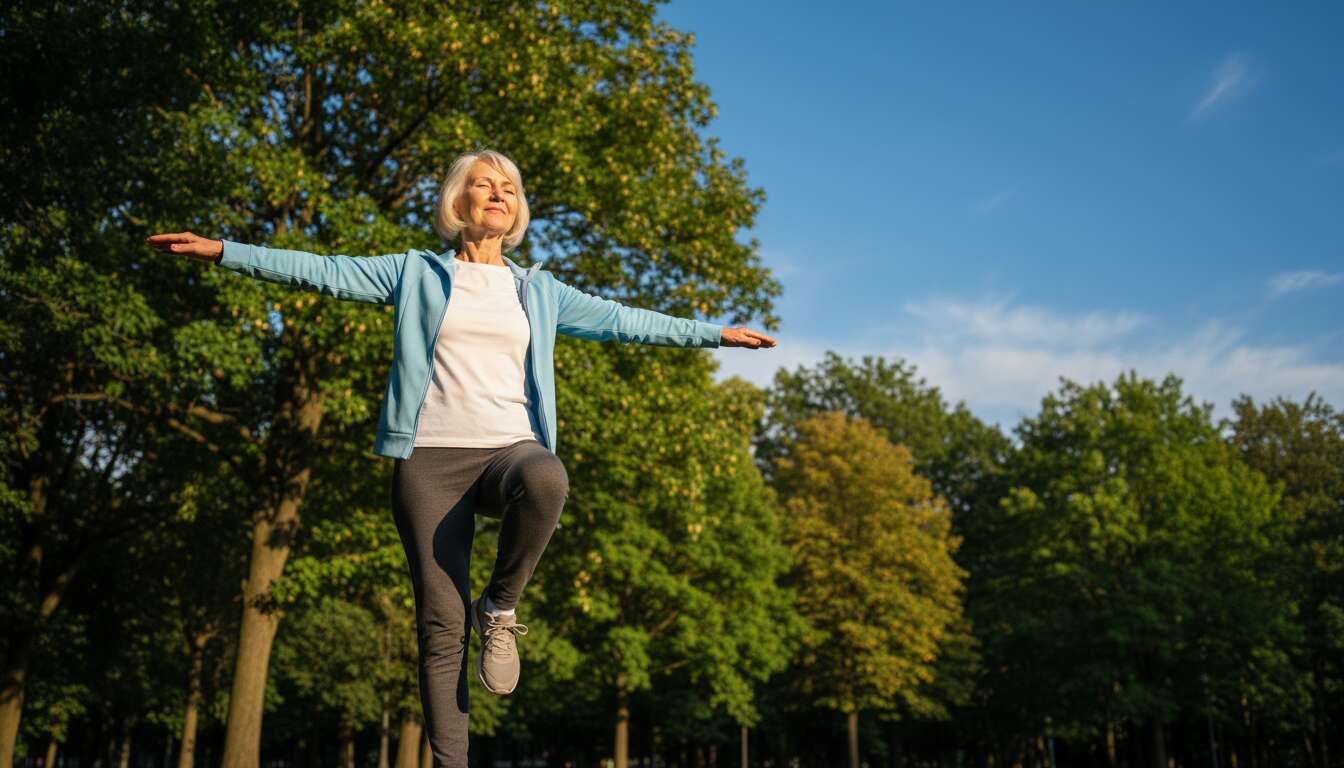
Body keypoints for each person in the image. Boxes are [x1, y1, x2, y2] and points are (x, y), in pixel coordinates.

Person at [147, 148, 777, 768]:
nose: (498, 193)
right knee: (441, 626)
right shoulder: (414, 272)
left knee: (548, 479)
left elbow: (623, 320)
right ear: (459, 201)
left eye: (508, 186)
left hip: (508, 449)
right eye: (484, 183)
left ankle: (500, 608)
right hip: (430, 460)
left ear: (518, 207)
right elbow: (321, 270)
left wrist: (713, 333)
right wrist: (224, 251)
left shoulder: (540, 291)